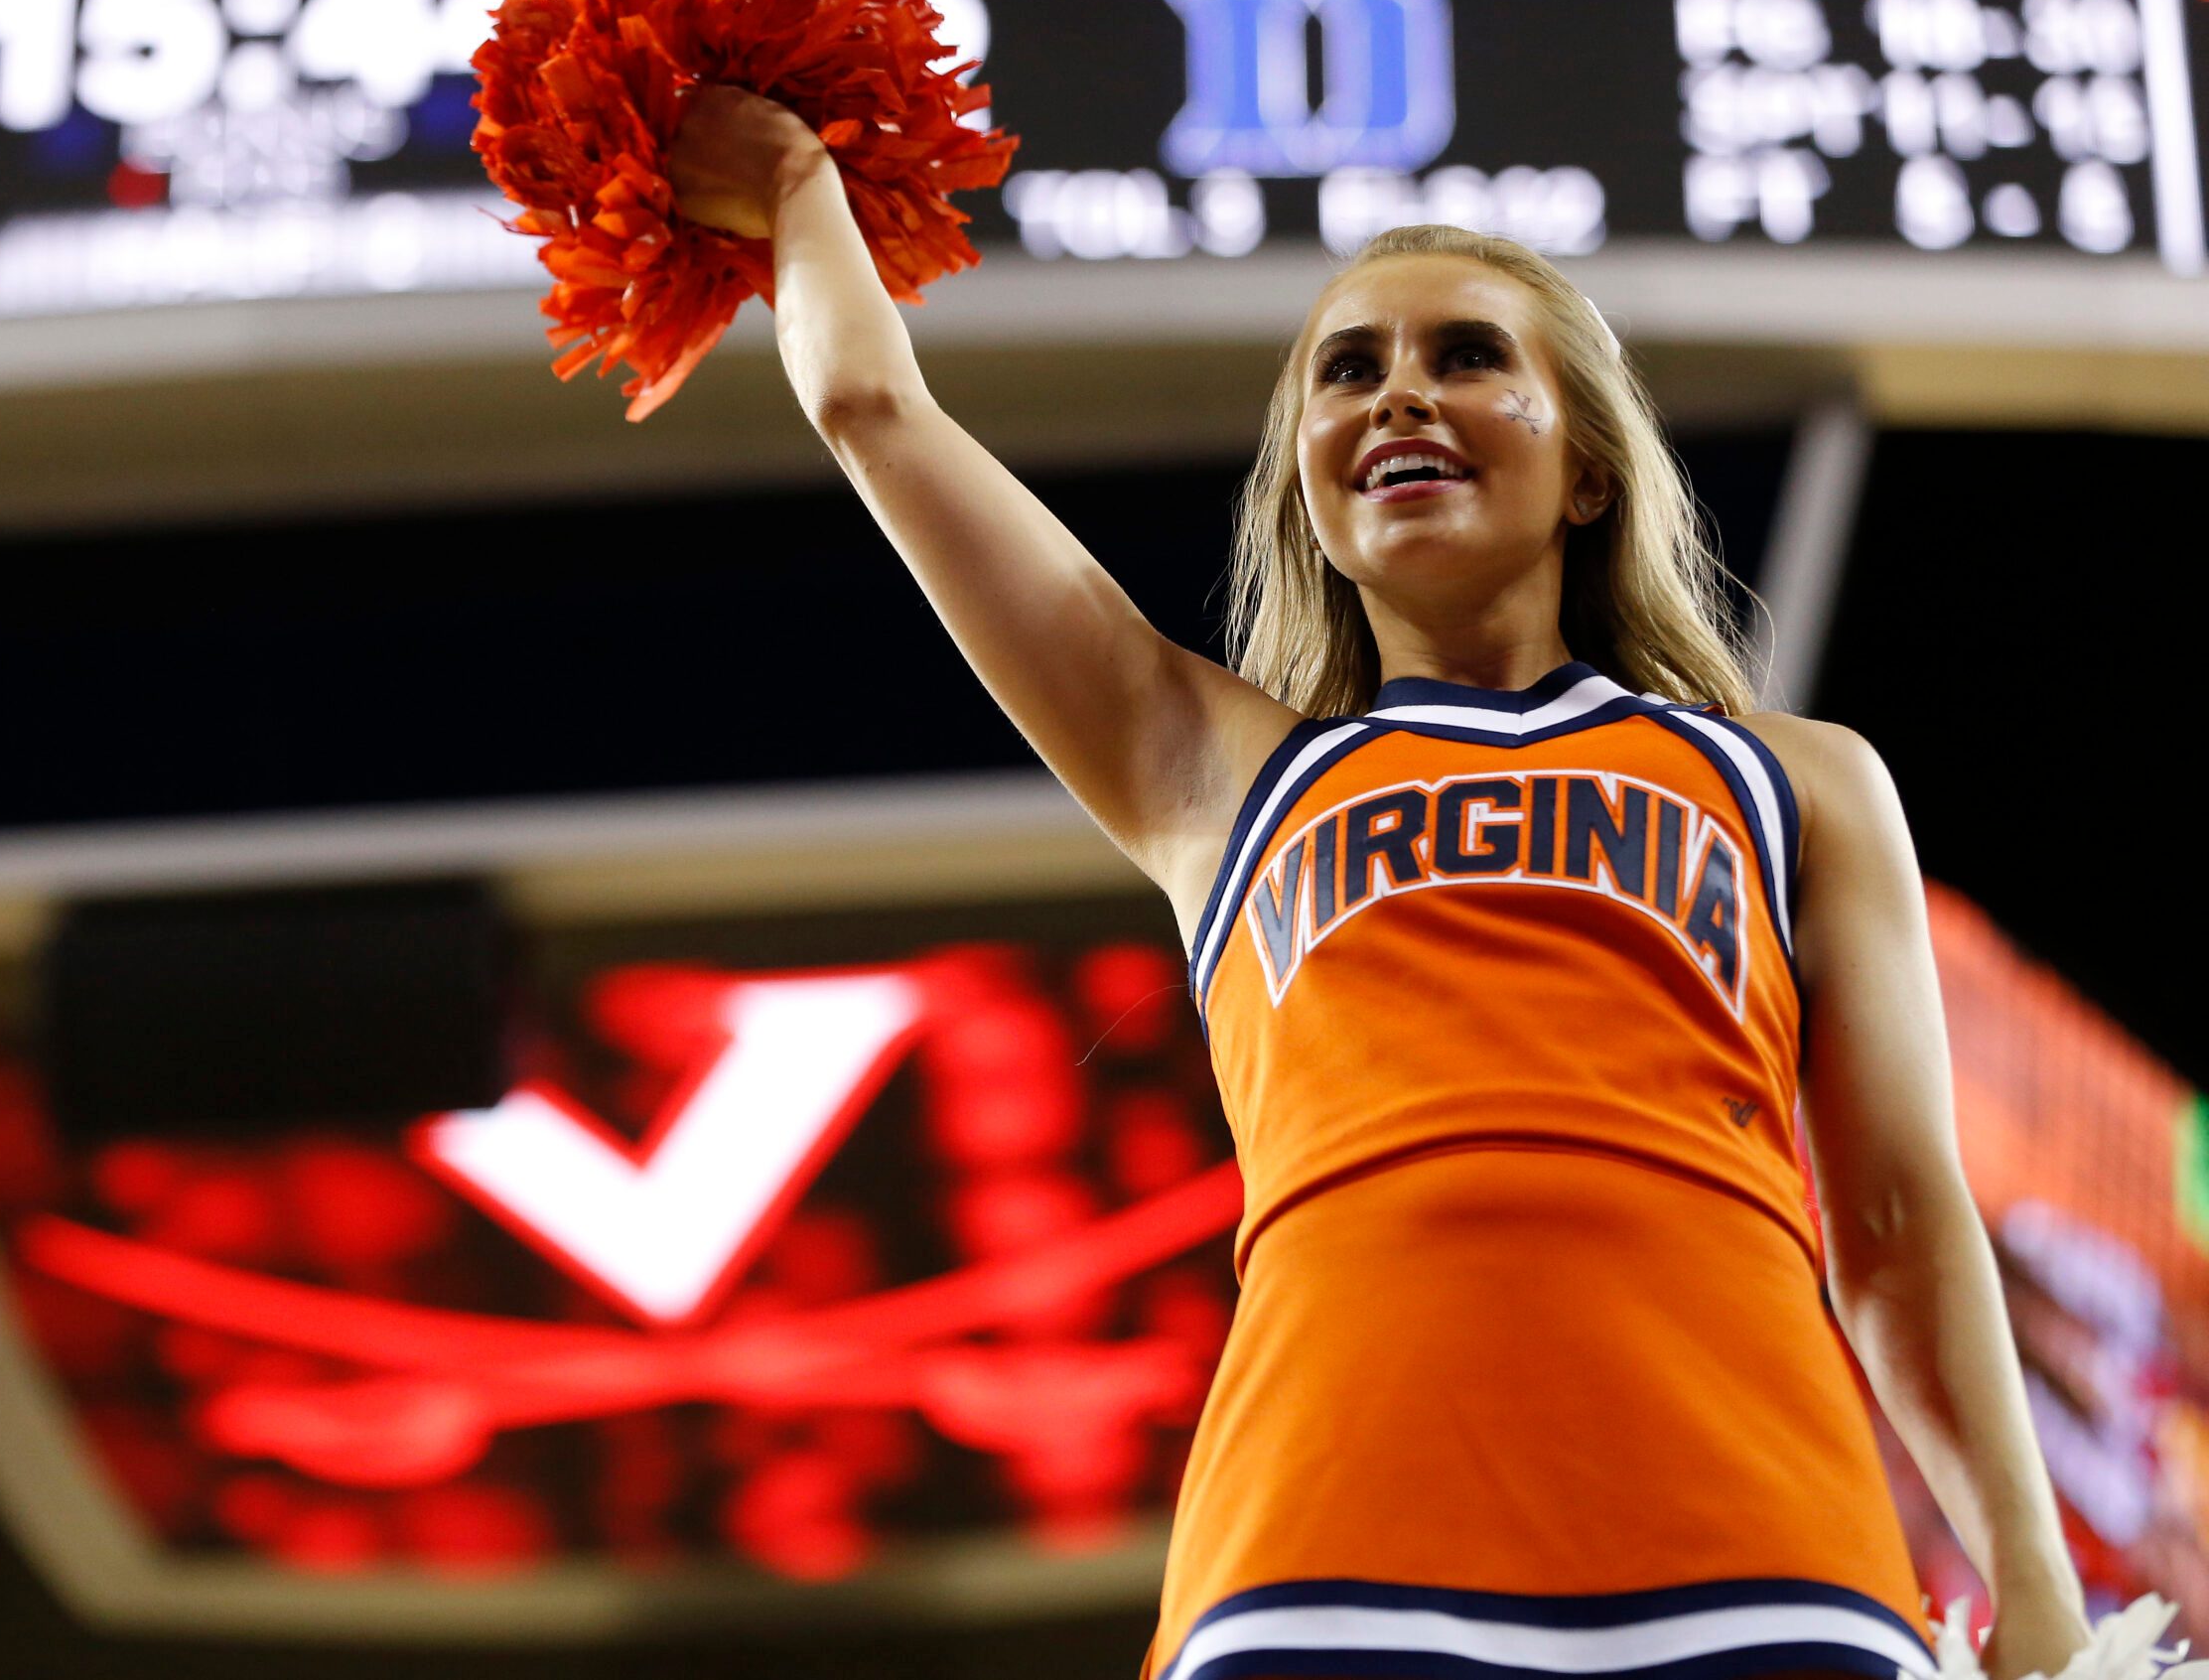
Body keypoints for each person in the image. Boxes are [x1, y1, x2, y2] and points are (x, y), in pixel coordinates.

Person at [662, 83, 2096, 1680]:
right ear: (1318, 498)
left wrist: (2032, 1583)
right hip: (1320, 1553)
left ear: (1589, 475)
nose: (1399, 394)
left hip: (1764, 1545)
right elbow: (876, 409)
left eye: (1468, 355)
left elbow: (1898, 1219)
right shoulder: (1209, 768)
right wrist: (798, 188)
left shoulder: (1798, 779)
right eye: (1350, 372)